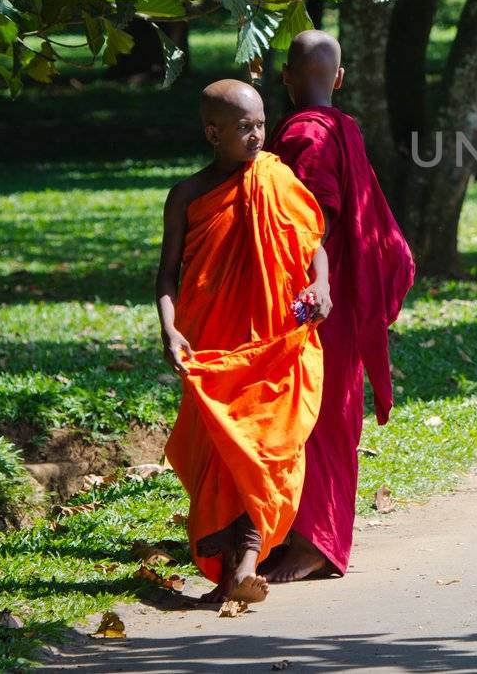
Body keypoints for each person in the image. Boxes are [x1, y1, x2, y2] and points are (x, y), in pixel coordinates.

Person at [158, 80, 331, 604]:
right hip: (213, 348)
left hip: (276, 342)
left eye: (260, 124)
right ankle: (232, 571)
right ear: (212, 132)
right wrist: (169, 329)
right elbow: (167, 274)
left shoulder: (277, 179)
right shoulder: (188, 196)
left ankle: (246, 563)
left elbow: (313, 245)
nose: (257, 136)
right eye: (242, 128)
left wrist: (320, 284)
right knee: (223, 455)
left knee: (269, 449)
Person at [264, 31, 416, 583]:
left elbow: (314, 216)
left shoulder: (306, 133)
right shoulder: (343, 126)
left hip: (318, 295)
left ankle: (314, 542)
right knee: (326, 412)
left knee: (319, 416)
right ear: (341, 79)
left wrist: (310, 286)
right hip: (343, 292)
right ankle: (292, 530)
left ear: (285, 77)